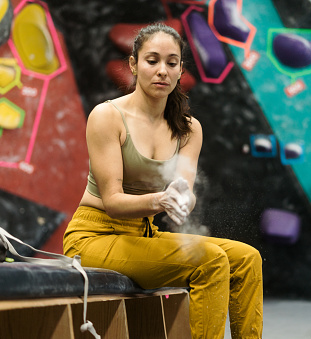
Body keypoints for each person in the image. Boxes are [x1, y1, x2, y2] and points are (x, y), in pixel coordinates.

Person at [63, 23, 263, 339]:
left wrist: (183, 200)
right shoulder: (108, 116)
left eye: (171, 63)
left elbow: (184, 189)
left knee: (247, 259)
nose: (162, 71)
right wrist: (160, 200)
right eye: (152, 60)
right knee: (210, 263)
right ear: (133, 64)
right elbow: (113, 202)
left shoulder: (188, 128)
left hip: (143, 234)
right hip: (94, 236)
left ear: (180, 69)